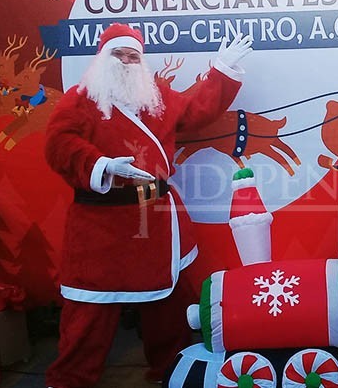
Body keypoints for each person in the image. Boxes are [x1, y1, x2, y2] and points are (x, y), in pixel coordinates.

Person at [43, 23, 252, 388]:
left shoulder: (156, 97)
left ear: (142, 61)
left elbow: (198, 110)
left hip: (155, 220)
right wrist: (102, 164)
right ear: (102, 59)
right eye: (118, 54)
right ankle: (70, 380)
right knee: (89, 312)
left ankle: (168, 372)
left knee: (169, 304)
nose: (125, 61)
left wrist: (222, 72)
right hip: (100, 225)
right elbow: (58, 143)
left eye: (132, 55)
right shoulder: (80, 98)